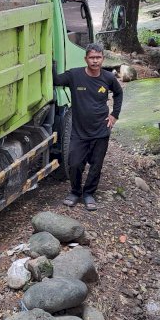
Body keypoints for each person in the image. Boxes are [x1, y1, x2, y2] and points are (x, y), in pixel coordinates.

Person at [53, 43, 123, 211]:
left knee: (96, 165)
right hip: (79, 132)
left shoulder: (108, 78)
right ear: (86, 59)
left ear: (103, 59)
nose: (95, 61)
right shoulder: (74, 75)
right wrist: (51, 63)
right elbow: (55, 81)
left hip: (101, 130)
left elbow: (119, 93)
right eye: (92, 58)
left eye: (98, 58)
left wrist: (115, 115)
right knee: (75, 163)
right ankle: (75, 192)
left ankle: (89, 193)